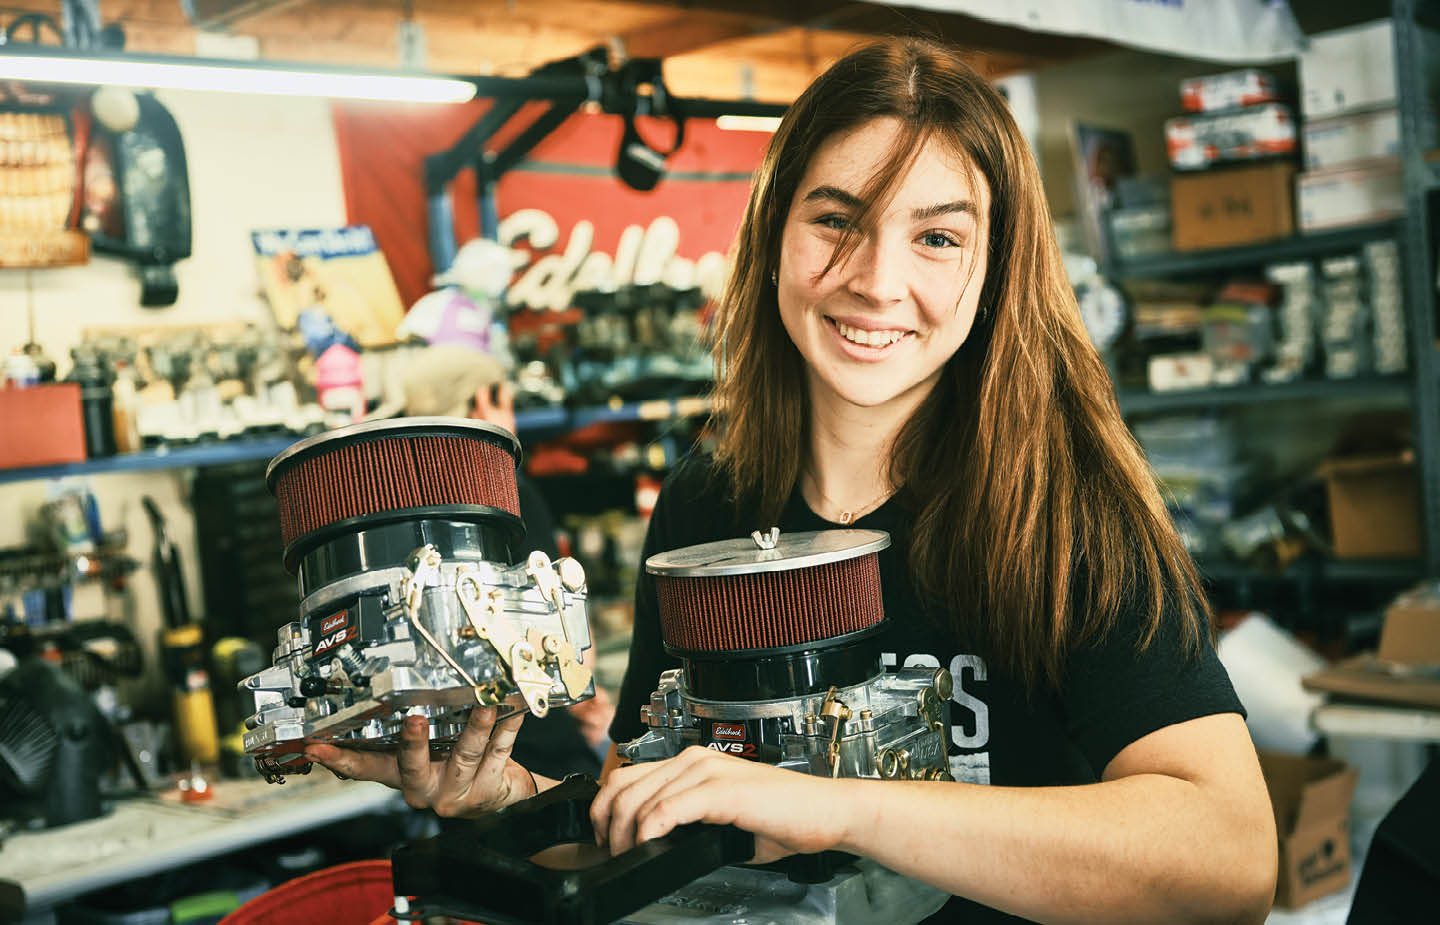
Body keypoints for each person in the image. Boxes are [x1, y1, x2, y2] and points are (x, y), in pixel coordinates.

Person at [304, 37, 1278, 923]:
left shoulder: (1062, 509)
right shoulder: (707, 505)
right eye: (836, 220)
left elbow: (1227, 860)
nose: (876, 279)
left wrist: (836, 806)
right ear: (774, 233)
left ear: (994, 270)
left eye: (936, 237)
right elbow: (656, 813)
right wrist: (503, 797)